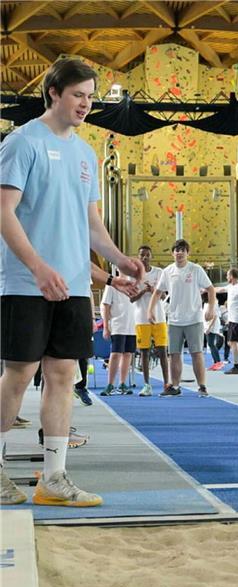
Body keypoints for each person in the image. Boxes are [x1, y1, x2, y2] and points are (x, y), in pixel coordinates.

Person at [1, 58, 143, 507]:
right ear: (54, 93)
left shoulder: (86, 154)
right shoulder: (22, 143)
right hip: (26, 283)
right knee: (19, 375)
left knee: (63, 374)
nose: (85, 103)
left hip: (75, 287)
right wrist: (39, 267)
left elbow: (91, 223)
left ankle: (54, 478)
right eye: (78, 94)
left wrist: (118, 260)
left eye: (90, 96)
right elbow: (4, 212)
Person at [148, 239, 216, 398]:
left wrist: (211, 308)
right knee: (174, 354)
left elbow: (210, 289)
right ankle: (175, 386)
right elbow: (157, 292)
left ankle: (202, 386)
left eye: (182, 250)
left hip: (194, 319)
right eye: (176, 250)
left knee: (196, 353)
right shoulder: (168, 271)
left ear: (187, 253)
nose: (179, 253)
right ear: (172, 253)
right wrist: (150, 310)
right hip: (174, 320)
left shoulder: (195, 269)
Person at [131, 245, 170, 396]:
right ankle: (147, 385)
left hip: (158, 317)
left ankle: (167, 383)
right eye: (142, 255)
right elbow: (131, 298)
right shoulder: (134, 275)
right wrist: (144, 291)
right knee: (144, 352)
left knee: (162, 351)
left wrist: (153, 290)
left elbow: (162, 296)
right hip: (141, 318)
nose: (144, 258)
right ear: (138, 257)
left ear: (151, 256)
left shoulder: (159, 273)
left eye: (147, 255)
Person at [99, 271, 137, 396]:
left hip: (132, 324)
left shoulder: (134, 283)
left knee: (128, 354)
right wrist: (105, 326)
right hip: (117, 324)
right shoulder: (112, 284)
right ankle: (110, 384)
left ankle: (122, 383)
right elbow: (105, 305)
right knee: (115, 354)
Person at [203, 298, 224, 370]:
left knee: (211, 343)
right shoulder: (206, 302)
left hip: (212, 324)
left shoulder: (214, 301)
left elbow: (215, 316)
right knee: (210, 344)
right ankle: (216, 363)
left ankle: (218, 362)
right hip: (207, 324)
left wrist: (209, 327)